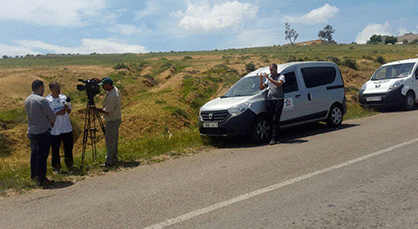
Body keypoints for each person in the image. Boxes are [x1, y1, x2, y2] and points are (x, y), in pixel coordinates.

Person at [25, 80, 56, 185]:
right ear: (40, 87)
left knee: (34, 154)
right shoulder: (42, 100)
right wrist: (52, 122)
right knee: (42, 155)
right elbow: (51, 114)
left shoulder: (27, 99)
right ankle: (41, 177)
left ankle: (34, 175)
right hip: (42, 130)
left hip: (32, 130)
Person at [93, 77, 122, 167]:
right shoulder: (114, 89)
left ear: (108, 85)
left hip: (112, 120)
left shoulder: (113, 96)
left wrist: (95, 109)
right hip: (115, 118)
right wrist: (100, 81)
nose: (103, 88)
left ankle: (109, 161)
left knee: (110, 141)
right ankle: (114, 158)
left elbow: (107, 111)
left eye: (104, 85)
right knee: (113, 140)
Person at [46, 82, 74, 172]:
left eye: (59, 88)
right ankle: (56, 167)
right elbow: (47, 115)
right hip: (55, 130)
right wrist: (57, 114)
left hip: (66, 128)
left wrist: (66, 108)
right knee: (55, 149)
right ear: (51, 89)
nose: (58, 90)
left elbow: (69, 111)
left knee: (68, 148)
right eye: (55, 88)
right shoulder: (47, 100)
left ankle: (69, 165)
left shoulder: (63, 97)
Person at [259, 63, 285, 145]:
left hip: (278, 100)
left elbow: (278, 84)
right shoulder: (269, 78)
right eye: (269, 70)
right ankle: (278, 136)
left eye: (271, 69)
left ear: (275, 69)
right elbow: (261, 87)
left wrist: (269, 78)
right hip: (270, 100)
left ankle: (274, 137)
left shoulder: (281, 76)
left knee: (275, 118)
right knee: (272, 119)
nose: (270, 71)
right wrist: (261, 79)